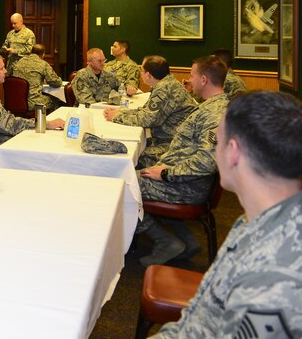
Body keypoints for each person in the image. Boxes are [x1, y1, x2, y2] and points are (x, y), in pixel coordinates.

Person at [152, 91, 302, 338]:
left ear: (233, 152)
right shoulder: (259, 220)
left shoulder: (273, 281)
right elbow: (203, 315)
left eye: (217, 143)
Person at [136, 55, 230, 266]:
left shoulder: (215, 113)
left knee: (122, 186)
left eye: (192, 75)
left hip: (186, 185)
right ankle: (187, 240)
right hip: (183, 178)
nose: (189, 80)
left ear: (204, 80)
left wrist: (166, 173)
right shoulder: (213, 106)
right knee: (135, 171)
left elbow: (207, 160)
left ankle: (165, 241)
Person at [0, 52, 64, 164]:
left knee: (40, 145)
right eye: (1, 68)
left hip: (0, 143)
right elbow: (8, 124)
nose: (5, 71)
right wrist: (45, 123)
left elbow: (5, 121)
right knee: (42, 158)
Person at [104, 55, 197, 150]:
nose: (141, 73)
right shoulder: (167, 83)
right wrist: (122, 112)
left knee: (128, 153)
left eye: (142, 71)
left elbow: (147, 120)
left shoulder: (163, 89)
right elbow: (146, 111)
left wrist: (116, 117)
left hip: (173, 144)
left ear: (148, 75)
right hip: (173, 139)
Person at [11, 43, 63, 112]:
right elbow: (56, 83)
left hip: (15, 101)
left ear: (31, 52)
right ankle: (48, 121)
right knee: (55, 100)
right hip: (33, 102)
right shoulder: (43, 64)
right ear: (43, 54)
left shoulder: (19, 62)